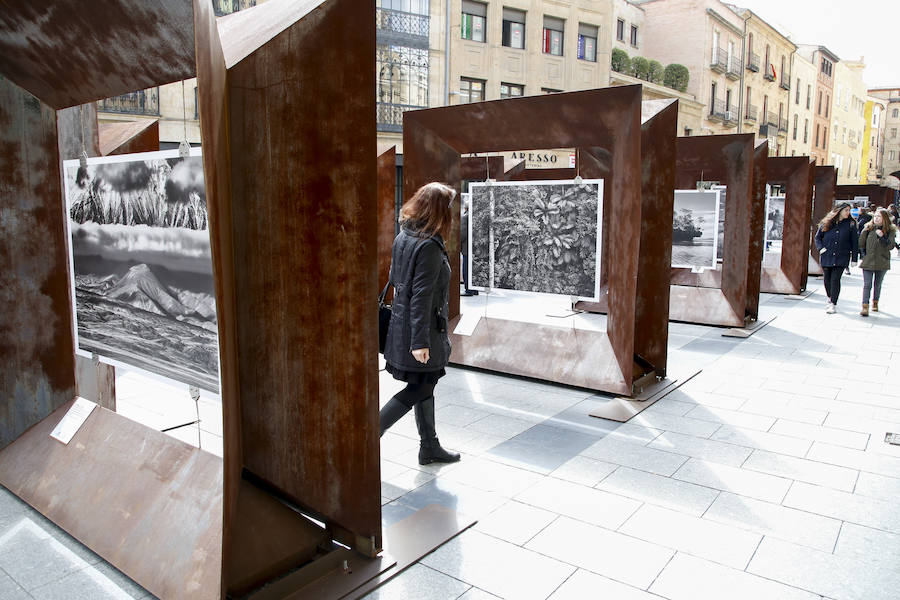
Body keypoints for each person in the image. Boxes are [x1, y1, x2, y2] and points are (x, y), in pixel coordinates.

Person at [379, 182, 461, 465]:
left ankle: (430, 446)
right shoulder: (428, 245)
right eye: (449, 207)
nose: (453, 212)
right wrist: (420, 343)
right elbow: (422, 296)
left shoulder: (406, 235)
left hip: (402, 325)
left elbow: (396, 279)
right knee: (422, 387)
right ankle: (371, 434)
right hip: (420, 329)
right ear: (439, 210)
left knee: (425, 383)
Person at [815, 202, 859, 314]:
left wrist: (854, 258)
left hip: (841, 256)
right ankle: (829, 297)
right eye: (846, 210)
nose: (848, 213)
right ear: (839, 210)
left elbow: (855, 242)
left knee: (835, 279)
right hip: (827, 255)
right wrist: (821, 248)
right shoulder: (827, 222)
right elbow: (818, 238)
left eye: (849, 210)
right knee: (827, 279)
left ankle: (833, 303)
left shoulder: (851, 224)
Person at [858, 208, 896, 316]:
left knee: (877, 284)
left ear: (884, 218)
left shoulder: (890, 230)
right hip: (868, 261)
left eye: (879, 216)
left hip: (882, 261)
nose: (876, 218)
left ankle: (875, 302)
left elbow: (891, 246)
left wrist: (882, 237)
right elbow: (861, 243)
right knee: (867, 284)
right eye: (875, 216)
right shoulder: (868, 228)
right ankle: (865, 306)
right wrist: (864, 232)